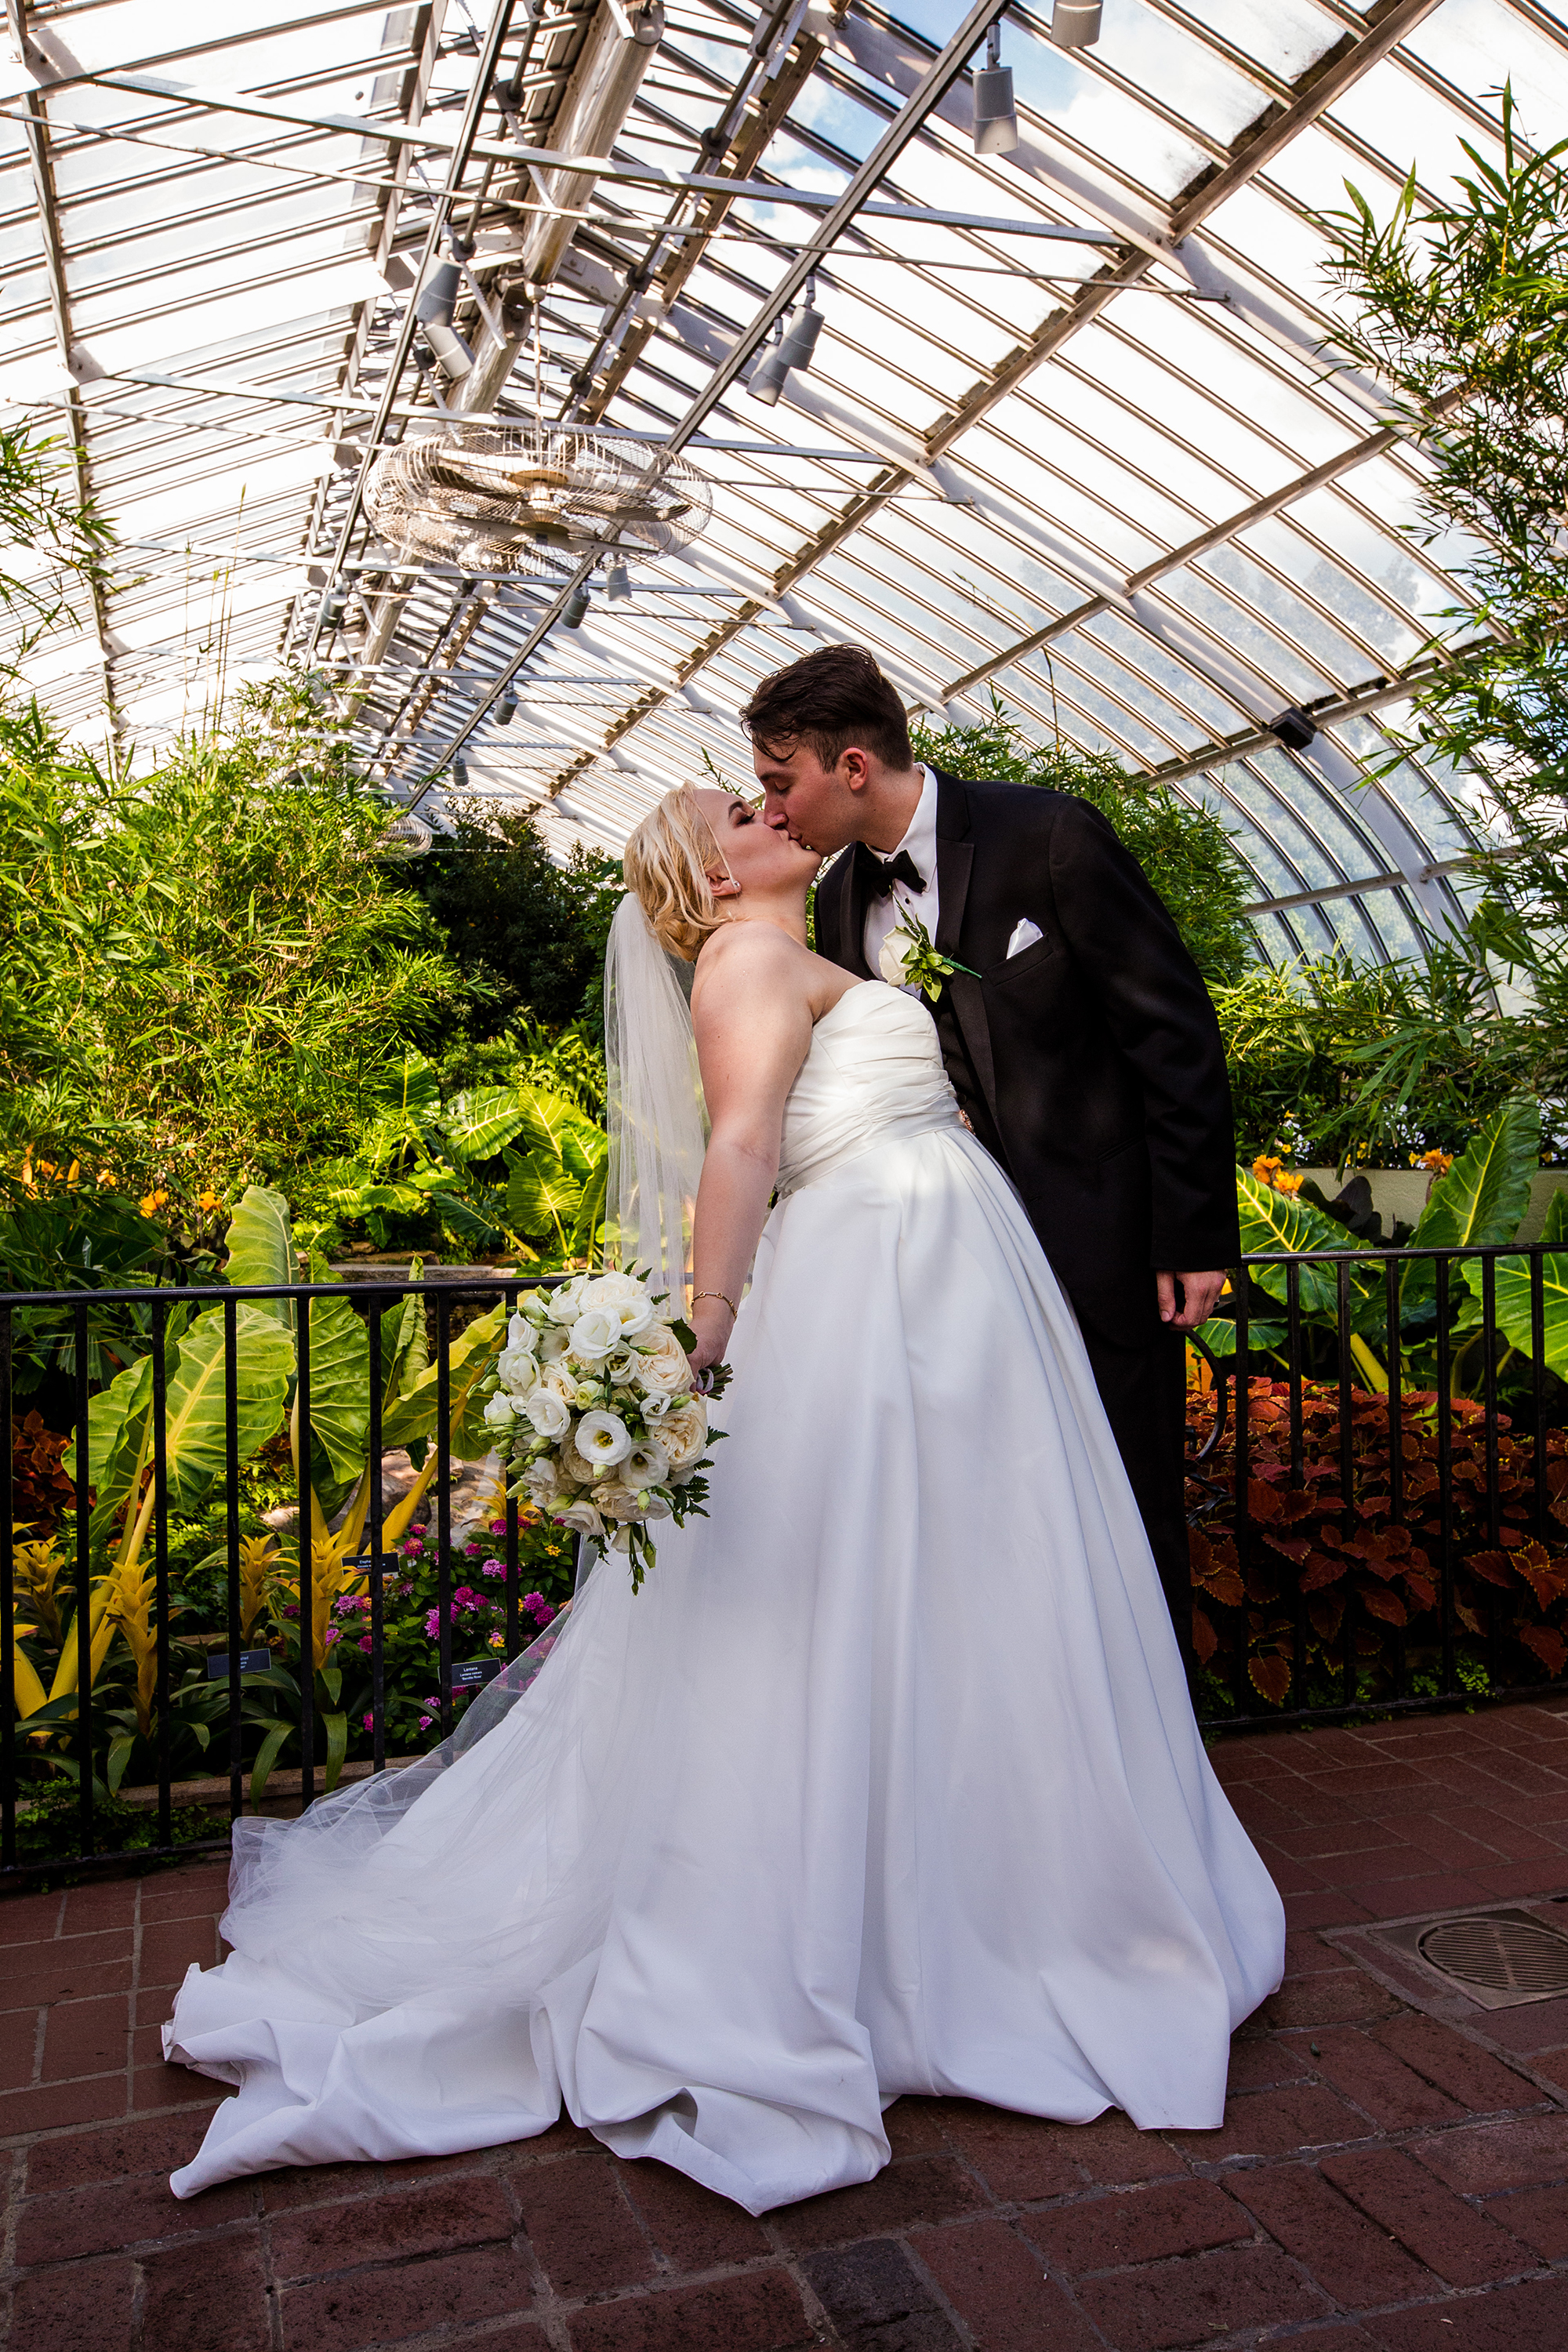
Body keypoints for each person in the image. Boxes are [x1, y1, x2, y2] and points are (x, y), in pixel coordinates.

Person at [162, 782, 1283, 2217]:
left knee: (934, 1584)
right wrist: (701, 1331)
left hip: (935, 1277)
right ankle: (952, 1923)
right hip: (883, 1285)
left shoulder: (800, 939)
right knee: (895, 1582)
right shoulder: (747, 961)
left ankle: (967, 1890)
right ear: (708, 873)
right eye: (738, 814)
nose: (768, 811)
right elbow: (746, 1146)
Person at [743, 644, 1239, 1647]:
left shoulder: (1048, 835)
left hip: (1098, 1245)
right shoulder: (836, 902)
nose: (774, 811)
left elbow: (1172, 1036)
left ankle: (1159, 1762)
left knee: (1131, 1499)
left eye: (779, 781)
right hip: (950, 1269)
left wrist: (1190, 1236)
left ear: (851, 767)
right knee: (1005, 1517)